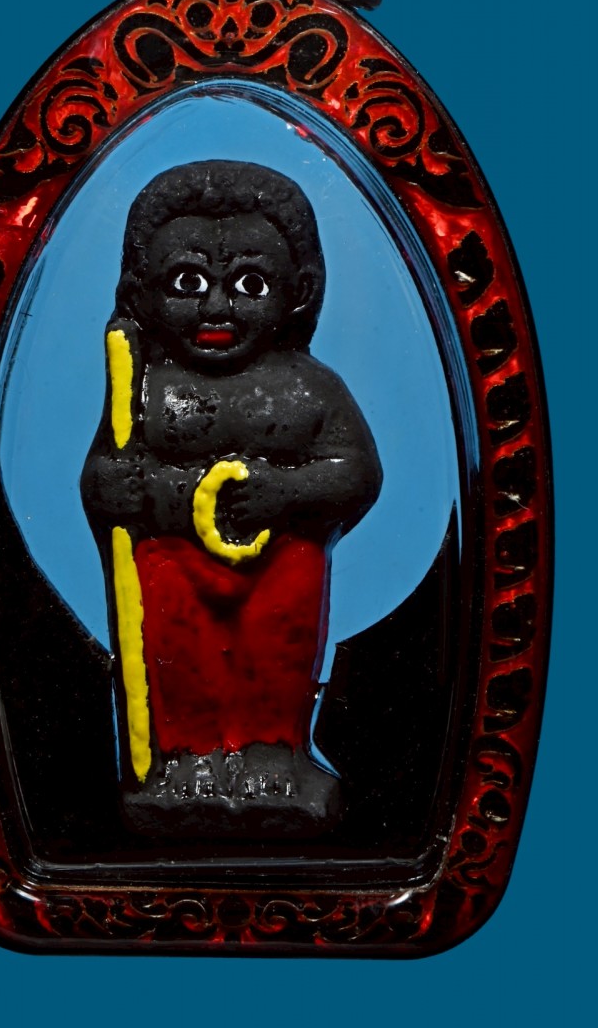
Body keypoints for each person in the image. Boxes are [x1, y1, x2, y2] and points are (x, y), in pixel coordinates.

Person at [82, 160, 382, 835]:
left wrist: (287, 491)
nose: (216, 309)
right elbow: (104, 472)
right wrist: (113, 486)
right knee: (178, 655)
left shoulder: (309, 389)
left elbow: (356, 474)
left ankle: (271, 755)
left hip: (279, 567)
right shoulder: (143, 391)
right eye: (187, 284)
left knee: (273, 656)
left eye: (249, 285)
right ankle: (186, 760)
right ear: (140, 293)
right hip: (171, 563)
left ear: (298, 293)